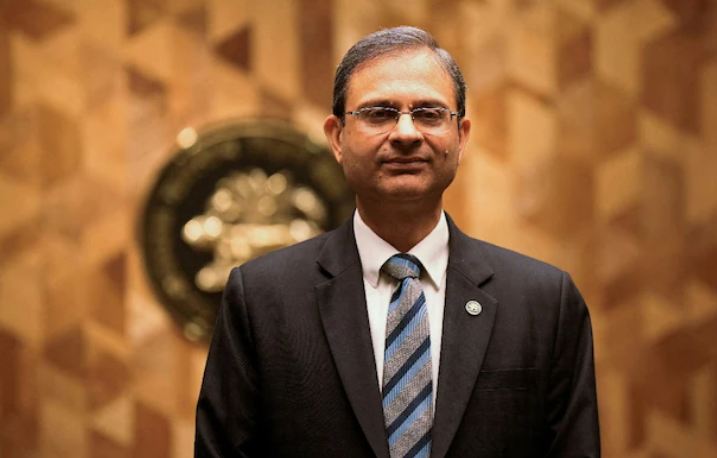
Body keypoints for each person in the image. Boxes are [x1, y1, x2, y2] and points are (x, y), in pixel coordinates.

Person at [195, 26, 600, 457]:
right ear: (337, 137)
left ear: (461, 136)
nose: (406, 133)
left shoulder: (544, 302)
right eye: (379, 113)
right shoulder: (261, 298)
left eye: (429, 113)